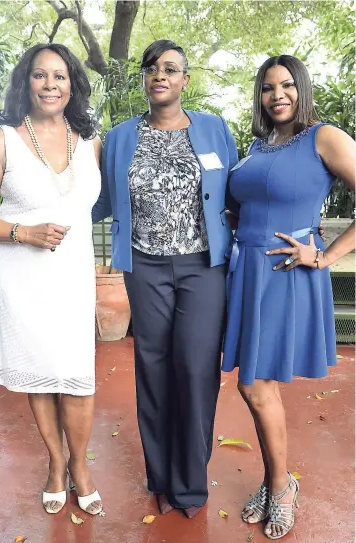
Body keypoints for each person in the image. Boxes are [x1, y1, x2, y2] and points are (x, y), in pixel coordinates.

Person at [92, 39, 238, 518]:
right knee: (152, 369)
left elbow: (236, 193)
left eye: (171, 69)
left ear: (184, 79)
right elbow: (99, 200)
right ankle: (161, 475)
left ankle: (191, 483)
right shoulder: (119, 138)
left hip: (202, 267)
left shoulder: (215, 130)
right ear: (145, 79)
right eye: (152, 68)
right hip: (145, 266)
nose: (161, 75)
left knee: (196, 369)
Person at [223, 55, 355, 539]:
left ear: (301, 88)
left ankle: (281, 486)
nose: (277, 94)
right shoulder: (260, 144)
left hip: (284, 269)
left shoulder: (324, 136)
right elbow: (247, 204)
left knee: (256, 385)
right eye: (267, 87)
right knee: (253, 385)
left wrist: (322, 255)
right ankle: (276, 479)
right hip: (246, 272)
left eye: (286, 85)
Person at [0, 43, 103, 515]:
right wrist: (22, 232)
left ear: (73, 84)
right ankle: (55, 463)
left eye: (60, 76)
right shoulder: (2, 140)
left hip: (71, 276)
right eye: (40, 75)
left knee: (77, 376)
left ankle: (81, 466)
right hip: (21, 273)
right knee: (41, 374)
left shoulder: (90, 141)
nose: (50, 84)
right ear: (25, 82)